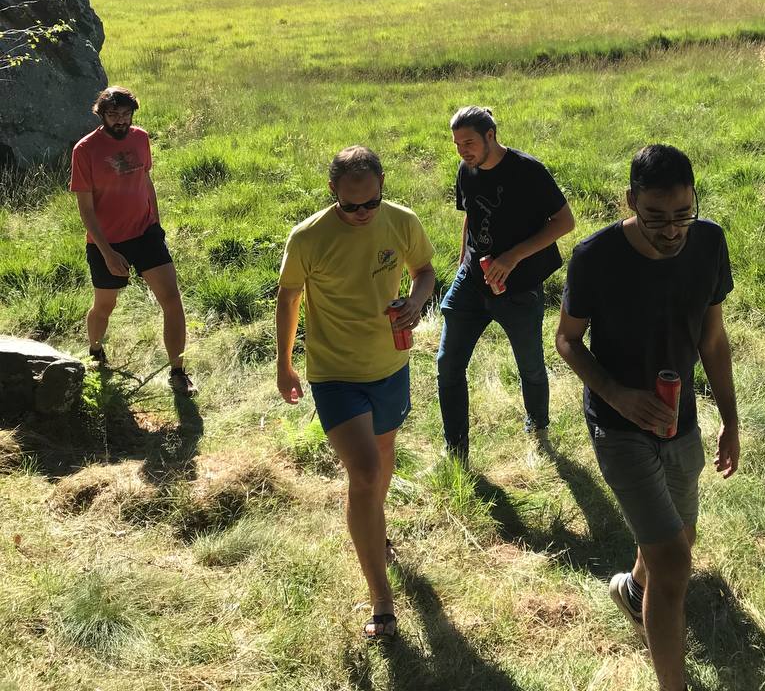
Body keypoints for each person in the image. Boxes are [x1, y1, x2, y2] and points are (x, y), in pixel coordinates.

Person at [555, 144, 739, 691]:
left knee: (678, 540)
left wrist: (730, 420)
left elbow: (712, 339)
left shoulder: (709, 242)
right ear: (630, 201)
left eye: (684, 213)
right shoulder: (595, 257)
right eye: (656, 217)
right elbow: (566, 340)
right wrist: (617, 394)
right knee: (675, 564)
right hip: (618, 427)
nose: (673, 229)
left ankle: (633, 592)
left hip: (680, 420)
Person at [275, 145, 435, 641]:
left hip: (390, 366)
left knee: (382, 459)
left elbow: (425, 270)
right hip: (335, 373)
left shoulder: (402, 221)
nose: (362, 213)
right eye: (350, 205)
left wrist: (417, 301)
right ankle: (381, 599)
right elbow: (288, 297)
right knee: (364, 471)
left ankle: (373, 528)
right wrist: (284, 363)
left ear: (382, 187)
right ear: (333, 192)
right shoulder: (308, 237)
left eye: (371, 203)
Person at [437, 106, 575, 464]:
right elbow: (471, 216)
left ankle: (538, 427)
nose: (462, 151)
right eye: (457, 144)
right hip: (471, 282)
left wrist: (513, 257)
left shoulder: (528, 171)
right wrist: (463, 263)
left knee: (530, 365)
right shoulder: (466, 170)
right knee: (448, 364)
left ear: (491, 136)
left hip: (519, 289)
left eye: (468, 143)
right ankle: (455, 448)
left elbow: (565, 221)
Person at [70, 86, 195, 395]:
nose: (121, 120)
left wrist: (157, 225)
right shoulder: (85, 150)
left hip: (146, 233)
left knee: (172, 300)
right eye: (113, 114)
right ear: (101, 115)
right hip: (107, 242)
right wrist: (107, 253)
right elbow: (86, 209)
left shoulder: (140, 138)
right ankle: (95, 352)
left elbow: (145, 180)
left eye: (126, 114)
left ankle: (178, 371)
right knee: (104, 306)